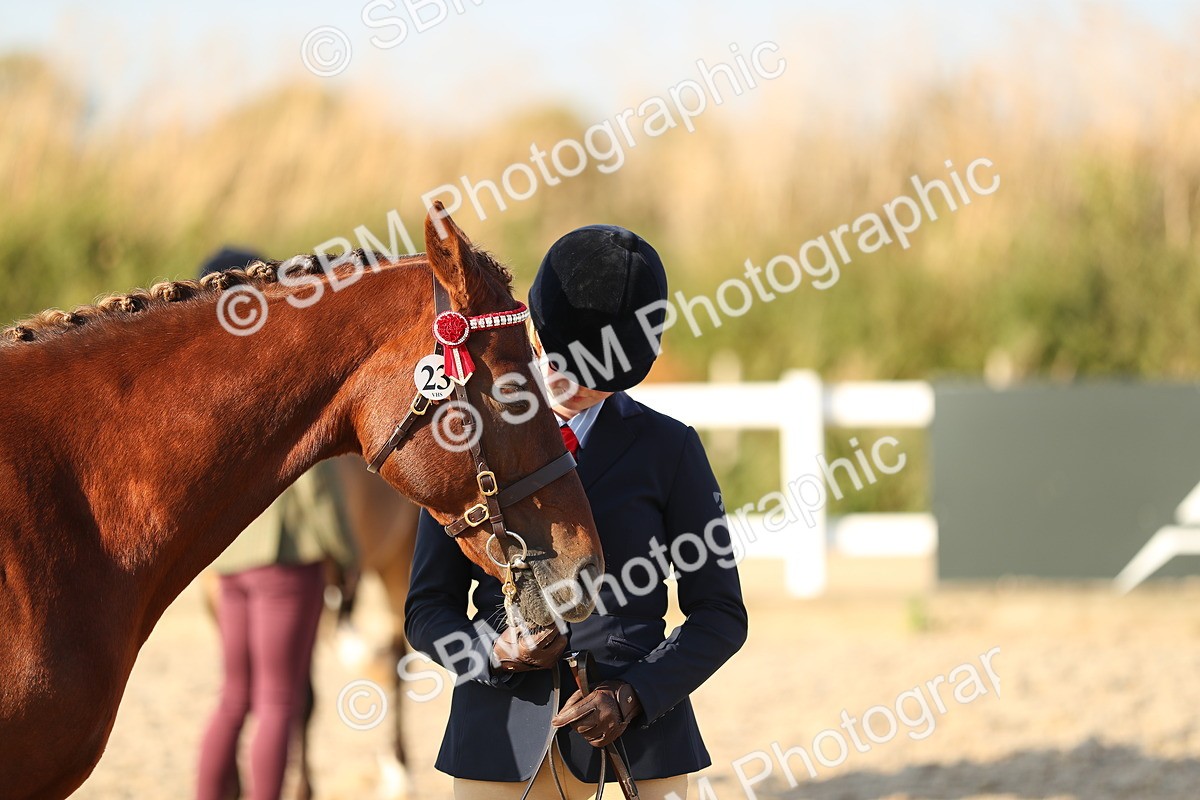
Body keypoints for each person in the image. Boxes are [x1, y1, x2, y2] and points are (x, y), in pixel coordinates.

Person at [405, 225, 749, 799]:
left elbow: (720, 614)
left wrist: (635, 694)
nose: (570, 386)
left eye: (596, 381)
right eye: (562, 364)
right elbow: (426, 608)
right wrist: (490, 651)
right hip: (501, 733)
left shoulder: (671, 450)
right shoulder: (471, 438)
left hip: (642, 740)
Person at [194, 247, 359, 800]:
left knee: (233, 697)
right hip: (287, 562)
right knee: (279, 701)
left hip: (229, 561)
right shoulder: (281, 381)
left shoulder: (209, 389)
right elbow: (315, 491)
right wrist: (348, 557)